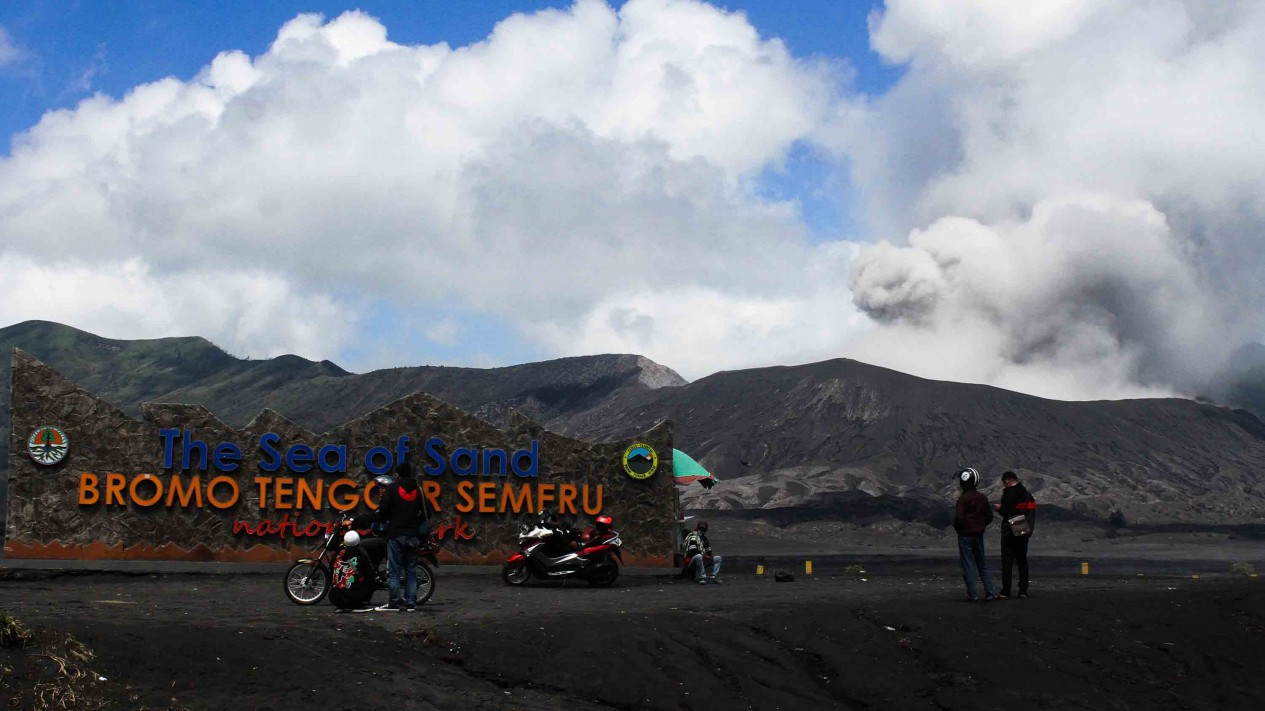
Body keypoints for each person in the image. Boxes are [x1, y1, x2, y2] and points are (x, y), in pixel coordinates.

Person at [353, 461, 426, 612]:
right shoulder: (419, 490)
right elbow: (427, 513)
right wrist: (413, 523)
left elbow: (382, 513)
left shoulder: (393, 489)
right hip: (413, 535)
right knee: (411, 570)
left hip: (396, 534)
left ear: (398, 474)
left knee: (394, 570)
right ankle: (411, 604)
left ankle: (394, 603)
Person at [953, 468, 996, 602]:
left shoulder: (963, 499)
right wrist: (981, 525)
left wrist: (960, 529)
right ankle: (990, 593)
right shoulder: (982, 498)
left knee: (968, 565)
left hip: (965, 535)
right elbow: (989, 516)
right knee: (982, 564)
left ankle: (973, 595)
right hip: (978, 535)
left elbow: (959, 518)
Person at [994, 471, 1036, 599]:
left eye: (1004, 483)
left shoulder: (1008, 493)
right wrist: (1029, 530)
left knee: (1007, 561)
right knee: (1022, 561)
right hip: (1023, 526)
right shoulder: (1027, 494)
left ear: (1007, 481)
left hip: (1010, 529)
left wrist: (999, 509)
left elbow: (1007, 511)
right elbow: (1031, 513)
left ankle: (1006, 591)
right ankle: (1023, 591)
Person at [329, 530, 377, 612]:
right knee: (371, 581)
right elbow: (370, 576)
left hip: (334, 597)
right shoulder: (361, 557)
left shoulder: (336, 555)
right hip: (352, 598)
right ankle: (361, 601)